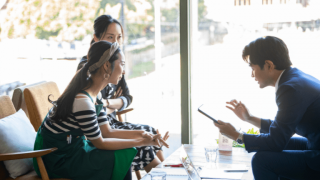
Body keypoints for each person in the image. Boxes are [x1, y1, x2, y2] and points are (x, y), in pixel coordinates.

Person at [33, 41, 168, 180]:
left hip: (73, 151)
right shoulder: (83, 101)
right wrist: (141, 142)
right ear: (107, 65)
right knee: (121, 156)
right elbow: (101, 142)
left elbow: (107, 132)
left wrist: (143, 134)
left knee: (124, 154)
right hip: (58, 160)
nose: (124, 70)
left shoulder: (94, 95)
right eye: (122, 64)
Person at [214, 36, 320, 180]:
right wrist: (249, 118)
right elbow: (281, 130)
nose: (252, 75)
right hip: (315, 145)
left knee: (261, 161)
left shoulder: (289, 89)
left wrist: (236, 136)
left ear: (269, 65)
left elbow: (275, 142)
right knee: (284, 146)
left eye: (253, 68)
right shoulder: (296, 78)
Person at [77, 15, 169, 172]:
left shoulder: (116, 62)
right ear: (96, 38)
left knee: (150, 131)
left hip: (109, 124)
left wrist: (109, 103)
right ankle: (165, 174)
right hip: (98, 129)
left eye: (119, 37)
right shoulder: (92, 67)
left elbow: (126, 97)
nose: (116, 42)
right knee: (145, 146)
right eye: (110, 37)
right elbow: (97, 111)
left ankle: (168, 172)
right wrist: (109, 105)